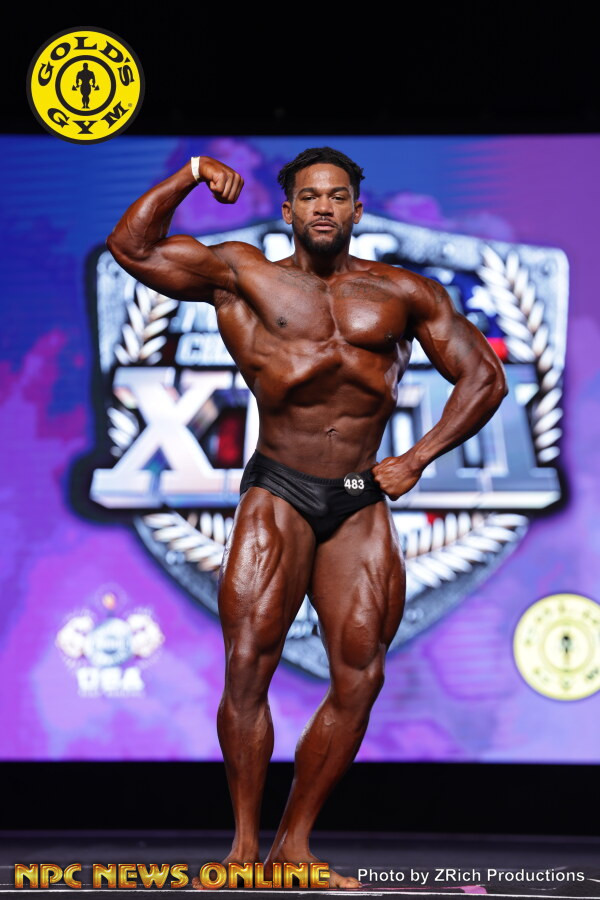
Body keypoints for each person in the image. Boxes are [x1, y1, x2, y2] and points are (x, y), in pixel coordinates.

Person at [106, 147, 508, 889]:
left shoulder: (403, 292)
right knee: (248, 665)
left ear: (357, 209)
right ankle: (242, 851)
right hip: (279, 488)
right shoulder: (243, 274)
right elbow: (131, 248)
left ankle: (293, 846)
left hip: (357, 494)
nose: (325, 206)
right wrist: (190, 174)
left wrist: (418, 457)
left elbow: (484, 378)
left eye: (338, 196)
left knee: (360, 676)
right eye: (311, 196)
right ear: (288, 210)